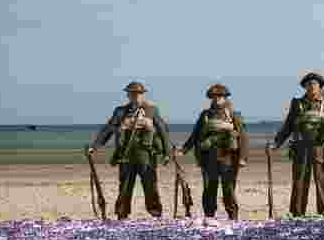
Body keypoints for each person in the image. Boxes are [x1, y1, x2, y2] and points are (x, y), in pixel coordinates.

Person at [88, 81, 169, 220]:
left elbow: (162, 130)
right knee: (125, 185)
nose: (135, 96)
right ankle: (122, 213)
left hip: (146, 154)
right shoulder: (120, 111)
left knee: (150, 184)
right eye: (132, 94)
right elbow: (108, 129)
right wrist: (95, 146)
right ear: (128, 95)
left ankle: (155, 212)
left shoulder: (152, 110)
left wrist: (167, 152)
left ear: (142, 95)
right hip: (126, 154)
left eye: (138, 94)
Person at [271, 72, 324, 217]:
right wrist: (276, 143)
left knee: (322, 180)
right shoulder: (297, 104)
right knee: (299, 181)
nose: (311, 87)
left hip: (321, 148)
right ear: (305, 87)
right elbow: (288, 126)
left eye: (314, 84)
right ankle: (297, 213)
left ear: (320, 87)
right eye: (309, 85)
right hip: (301, 148)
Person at [178, 83, 249, 223]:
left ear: (225, 97)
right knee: (209, 187)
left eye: (220, 96)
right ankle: (209, 216)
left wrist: (243, 158)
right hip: (209, 157)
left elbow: (243, 137)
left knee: (228, 188)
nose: (217, 99)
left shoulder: (234, 115)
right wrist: (183, 150)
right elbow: (195, 135)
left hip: (228, 157)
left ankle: (233, 216)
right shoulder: (205, 115)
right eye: (214, 97)